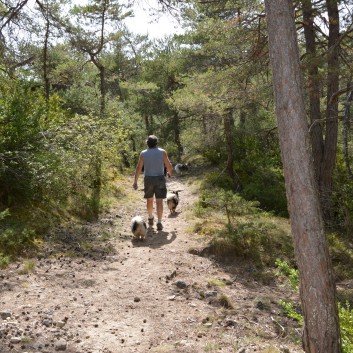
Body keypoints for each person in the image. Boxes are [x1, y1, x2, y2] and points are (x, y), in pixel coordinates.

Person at [133, 135, 173, 231]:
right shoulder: (162, 152)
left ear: (147, 143)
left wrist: (135, 181)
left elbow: (139, 168)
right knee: (159, 201)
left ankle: (150, 217)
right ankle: (159, 222)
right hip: (159, 178)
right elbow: (169, 165)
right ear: (156, 143)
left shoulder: (143, 153)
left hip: (148, 179)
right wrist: (169, 173)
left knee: (149, 200)